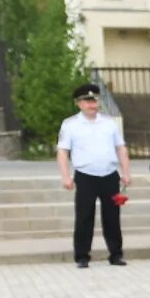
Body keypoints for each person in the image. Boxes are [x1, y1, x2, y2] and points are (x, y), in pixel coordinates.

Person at [57, 82, 131, 269]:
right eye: (87, 101)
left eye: (94, 101)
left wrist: (126, 172)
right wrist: (66, 176)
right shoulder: (70, 124)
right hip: (85, 176)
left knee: (112, 217)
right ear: (79, 103)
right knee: (84, 217)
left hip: (109, 175)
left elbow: (120, 148)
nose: (92, 105)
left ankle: (116, 254)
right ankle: (82, 256)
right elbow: (63, 152)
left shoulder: (109, 123)